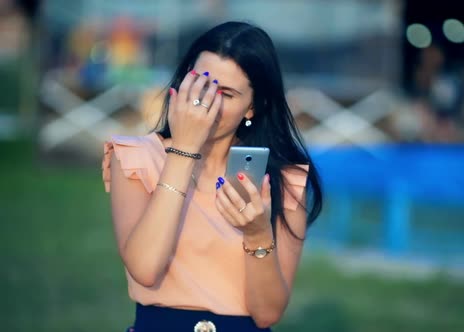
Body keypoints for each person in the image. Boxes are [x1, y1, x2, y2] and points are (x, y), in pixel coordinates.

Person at [101, 21, 322, 332]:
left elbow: (268, 314)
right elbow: (145, 269)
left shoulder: (281, 180)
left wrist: (258, 233)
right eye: (201, 85)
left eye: (226, 94)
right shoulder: (138, 158)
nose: (207, 102)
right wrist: (184, 149)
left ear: (253, 106)